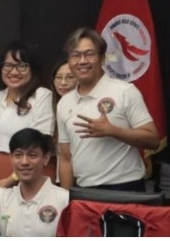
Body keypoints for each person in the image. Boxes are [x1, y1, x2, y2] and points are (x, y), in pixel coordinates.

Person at [57, 27, 159, 191]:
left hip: (125, 188)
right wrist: (67, 198)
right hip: (84, 192)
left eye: (89, 54)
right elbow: (65, 158)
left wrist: (113, 131)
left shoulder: (124, 91)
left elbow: (153, 140)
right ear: (69, 61)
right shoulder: (64, 102)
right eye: (75, 55)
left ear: (102, 58)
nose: (82, 61)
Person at [0, 41, 54, 190]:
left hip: (27, 179)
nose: (14, 72)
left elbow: (41, 143)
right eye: (8, 65)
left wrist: (11, 179)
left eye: (22, 66)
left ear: (33, 68)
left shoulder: (42, 96)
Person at [0, 128, 69, 237]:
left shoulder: (64, 199)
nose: (24, 162)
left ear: (46, 158)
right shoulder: (3, 196)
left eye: (32, 155)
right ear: (11, 158)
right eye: (18, 155)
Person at [48, 61, 77, 184]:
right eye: (58, 77)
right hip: (62, 180)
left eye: (70, 77)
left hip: (84, 180)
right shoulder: (50, 107)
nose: (63, 82)